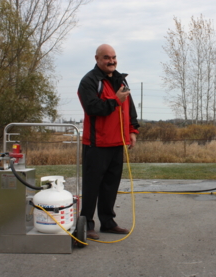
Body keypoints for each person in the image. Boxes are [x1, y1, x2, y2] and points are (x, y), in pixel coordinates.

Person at [77, 44, 140, 240]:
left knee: (110, 185)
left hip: (117, 143)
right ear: (97, 59)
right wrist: (115, 100)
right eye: (106, 58)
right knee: (92, 186)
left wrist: (132, 131)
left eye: (113, 57)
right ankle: (86, 223)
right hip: (96, 144)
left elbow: (129, 107)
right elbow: (92, 108)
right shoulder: (89, 81)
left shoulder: (121, 80)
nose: (111, 61)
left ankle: (108, 222)